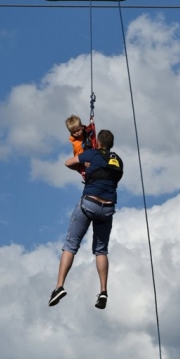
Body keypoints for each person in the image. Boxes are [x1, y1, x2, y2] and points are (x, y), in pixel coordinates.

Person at [48, 129, 123, 310]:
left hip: (89, 203)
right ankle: (103, 290)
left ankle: (59, 286)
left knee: (70, 245)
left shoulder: (92, 153)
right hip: (107, 208)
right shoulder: (118, 161)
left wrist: (84, 164)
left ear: (97, 142)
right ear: (112, 144)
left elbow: (68, 163)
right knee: (101, 250)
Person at [65, 114, 97, 180]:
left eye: (78, 130)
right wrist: (84, 163)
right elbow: (79, 156)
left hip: (91, 151)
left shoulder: (86, 131)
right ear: (70, 132)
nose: (77, 133)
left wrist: (91, 123)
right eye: (74, 132)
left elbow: (90, 128)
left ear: (81, 126)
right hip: (83, 161)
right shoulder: (77, 144)